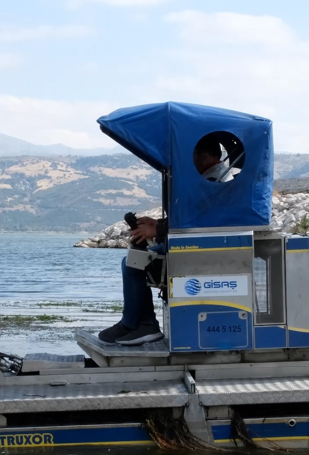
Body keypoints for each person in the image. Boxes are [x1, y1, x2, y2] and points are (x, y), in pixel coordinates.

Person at [98, 142, 237, 345]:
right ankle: (140, 324)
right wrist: (158, 224)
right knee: (133, 260)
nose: (189, 163)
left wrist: (159, 230)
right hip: (202, 246)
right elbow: (196, 217)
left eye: (193, 155)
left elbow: (205, 219)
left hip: (199, 250)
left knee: (132, 263)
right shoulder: (219, 177)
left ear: (206, 156)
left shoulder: (214, 181)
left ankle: (139, 325)